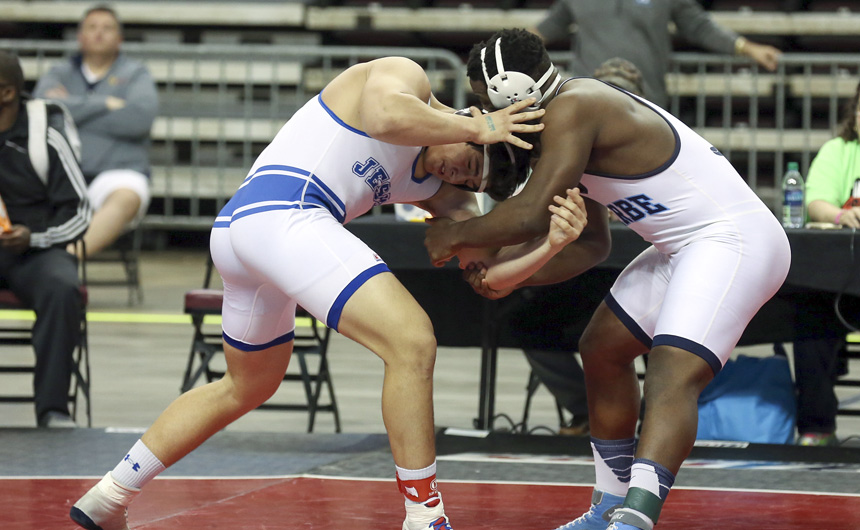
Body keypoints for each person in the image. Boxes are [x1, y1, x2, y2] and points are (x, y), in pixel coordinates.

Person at [68, 55, 549, 530]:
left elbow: (484, 269)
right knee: (412, 341)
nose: (454, 175)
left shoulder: (445, 190)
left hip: (249, 233)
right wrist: (482, 130)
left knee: (248, 384)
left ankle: (109, 496)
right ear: (474, 118)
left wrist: (551, 242)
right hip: (285, 212)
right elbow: (385, 117)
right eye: (465, 161)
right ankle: (426, 517)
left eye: (468, 179)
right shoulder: (407, 77)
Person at [425, 28, 790, 530]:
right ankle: (607, 504)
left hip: (733, 240)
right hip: (679, 247)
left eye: (482, 99)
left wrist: (454, 234)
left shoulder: (576, 105)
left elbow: (530, 214)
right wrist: (516, 273)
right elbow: (593, 243)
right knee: (602, 348)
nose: (487, 114)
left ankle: (636, 516)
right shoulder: (559, 127)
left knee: (672, 366)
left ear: (508, 88)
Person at [519, 57, 647, 437]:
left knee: (666, 330)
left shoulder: (648, 142)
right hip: (587, 277)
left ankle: (655, 419)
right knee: (525, 322)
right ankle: (585, 410)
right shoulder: (570, 142)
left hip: (645, 273)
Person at [0, 51, 92, 428]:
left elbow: (81, 211)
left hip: (35, 249)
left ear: (6, 93)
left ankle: (53, 409)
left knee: (62, 287)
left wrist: (34, 238)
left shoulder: (46, 131)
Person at [33, 4, 156, 257]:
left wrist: (72, 110)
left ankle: (65, 259)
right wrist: (105, 103)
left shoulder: (136, 73)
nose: (99, 33)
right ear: (80, 37)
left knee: (127, 195)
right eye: (92, 27)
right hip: (61, 175)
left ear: (120, 39)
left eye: (107, 28)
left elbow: (138, 120)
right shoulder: (59, 72)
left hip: (117, 172)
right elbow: (41, 113)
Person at [786, 78, 860, 446]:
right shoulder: (839, 149)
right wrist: (840, 215)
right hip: (843, 277)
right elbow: (815, 201)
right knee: (811, 315)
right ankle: (818, 426)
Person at [529, 0, 782, 107]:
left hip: (646, 99)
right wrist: (503, 49)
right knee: (589, 180)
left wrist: (747, 48)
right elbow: (546, 28)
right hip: (588, 99)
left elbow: (699, 25)